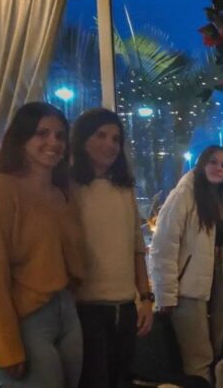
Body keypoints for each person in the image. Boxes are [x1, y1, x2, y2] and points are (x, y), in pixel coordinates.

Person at [0, 102, 84, 388]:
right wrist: (6, 345)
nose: (54, 142)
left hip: (64, 309)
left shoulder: (61, 193)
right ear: (21, 138)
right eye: (42, 133)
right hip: (23, 316)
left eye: (60, 135)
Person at [69, 109, 153, 388]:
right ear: (82, 139)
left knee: (122, 379)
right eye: (101, 135)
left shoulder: (124, 188)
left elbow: (137, 247)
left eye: (116, 139)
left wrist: (146, 299)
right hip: (85, 309)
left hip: (126, 307)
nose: (110, 144)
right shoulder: (68, 188)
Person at [149, 145, 223, 383]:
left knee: (218, 348)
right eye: (213, 162)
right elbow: (163, 247)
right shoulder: (183, 195)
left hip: (217, 283)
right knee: (198, 357)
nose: (218, 168)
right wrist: (165, 295)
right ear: (201, 164)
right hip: (187, 289)